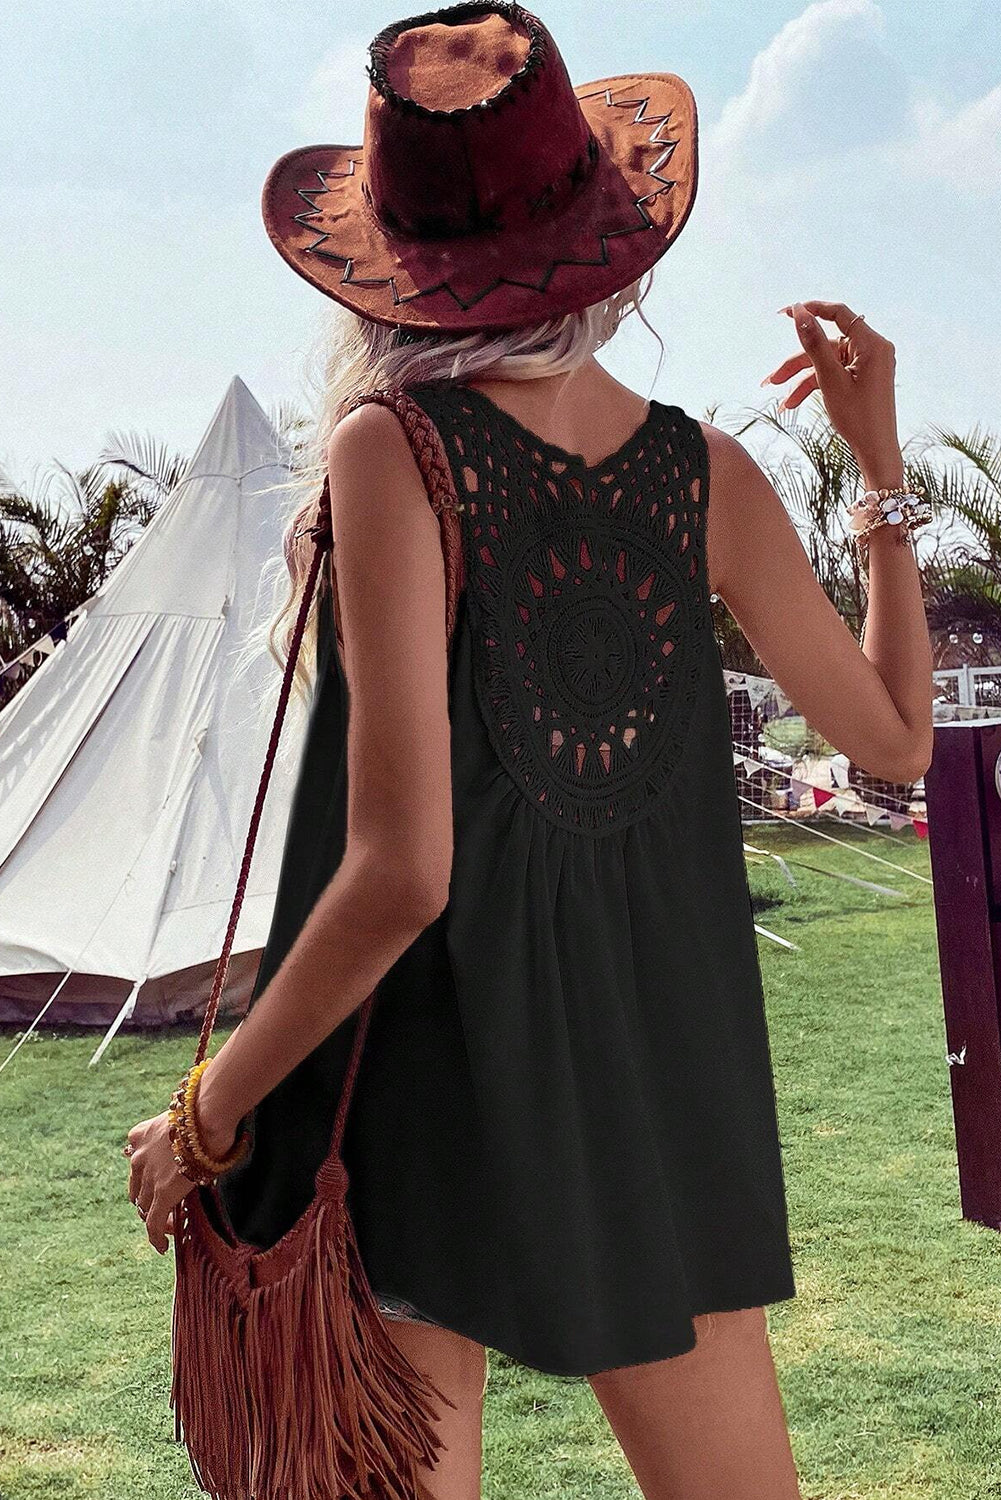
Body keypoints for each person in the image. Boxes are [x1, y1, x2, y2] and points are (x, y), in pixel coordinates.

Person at [123, 4, 934, 1497]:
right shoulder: (707, 472)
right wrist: (878, 477)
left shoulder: (394, 448)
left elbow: (402, 872)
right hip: (657, 1069)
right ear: (607, 247)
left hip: (413, 1084)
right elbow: (894, 739)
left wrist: (207, 1111)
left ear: (395, 270)